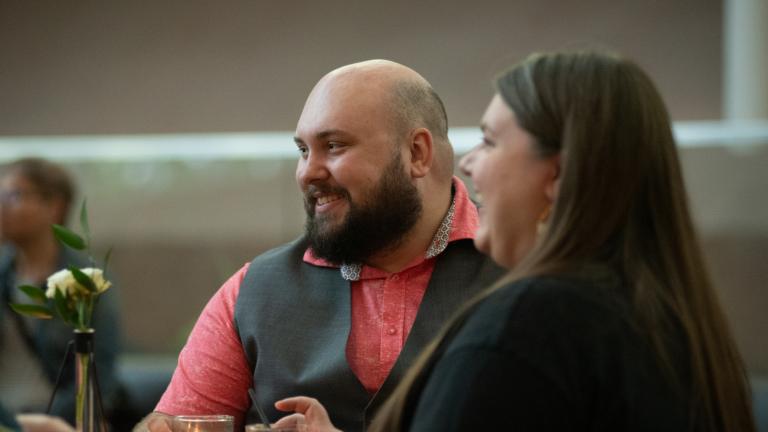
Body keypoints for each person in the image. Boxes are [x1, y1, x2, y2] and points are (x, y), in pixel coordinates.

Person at [272, 51, 757, 431]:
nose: (467, 162)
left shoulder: (530, 324)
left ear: (556, 175)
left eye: (490, 141)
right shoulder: (672, 319)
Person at [138, 60, 503, 432]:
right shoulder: (255, 290)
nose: (308, 172)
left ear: (417, 153)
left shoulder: (521, 268)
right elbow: (180, 422)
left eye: (333, 145)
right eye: (303, 150)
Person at [0, 158, 122, 427]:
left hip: (59, 421)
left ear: (54, 207)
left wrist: (45, 422)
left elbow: (100, 376)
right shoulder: (3, 275)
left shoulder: (85, 278)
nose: (3, 206)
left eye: (15, 195)